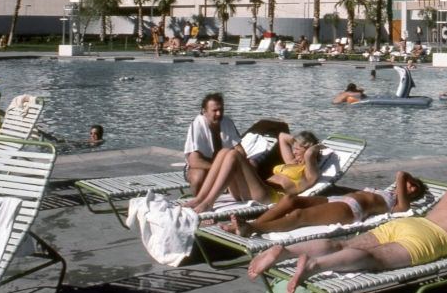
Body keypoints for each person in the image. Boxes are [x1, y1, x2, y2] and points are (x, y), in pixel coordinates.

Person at [248, 162, 447, 293]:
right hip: (431, 239)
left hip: (411, 223)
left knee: (345, 244)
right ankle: (314, 265)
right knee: (375, 259)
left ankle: (286, 250)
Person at [227, 171, 427, 237]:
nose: (409, 188)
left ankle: (252, 227)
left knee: (298, 216)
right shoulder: (387, 192)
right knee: (290, 200)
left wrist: (409, 182)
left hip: (351, 210)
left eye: (414, 190)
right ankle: (247, 223)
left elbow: (400, 174)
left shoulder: (401, 205)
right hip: (339, 201)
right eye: (411, 186)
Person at [183, 131, 321, 214]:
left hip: (268, 196)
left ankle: (208, 202)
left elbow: (309, 155)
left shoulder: (308, 173)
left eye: (298, 149)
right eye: (294, 148)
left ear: (307, 149)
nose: (294, 151)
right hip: (254, 189)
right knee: (225, 152)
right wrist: (296, 140)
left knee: (234, 155)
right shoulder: (291, 161)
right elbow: (282, 137)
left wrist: (315, 147)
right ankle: (201, 197)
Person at [183, 92, 245, 196]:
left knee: (251, 165)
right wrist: (221, 168)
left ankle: (243, 200)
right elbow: (194, 161)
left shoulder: (227, 122)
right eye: (215, 111)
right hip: (199, 167)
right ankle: (198, 204)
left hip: (222, 164)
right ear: (204, 111)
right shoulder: (197, 125)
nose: (219, 114)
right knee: (199, 176)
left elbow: (240, 149)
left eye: (221, 110)